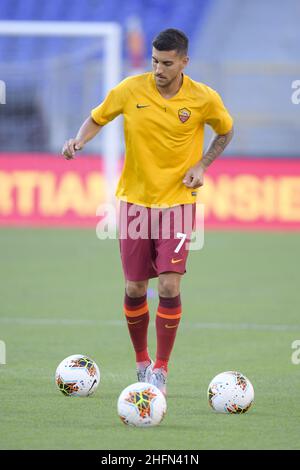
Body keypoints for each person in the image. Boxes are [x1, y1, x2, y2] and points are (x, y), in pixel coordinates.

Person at [62, 28, 233, 396]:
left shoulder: (204, 99)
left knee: (169, 284)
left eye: (167, 63)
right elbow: (97, 117)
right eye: (155, 61)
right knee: (135, 286)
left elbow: (225, 131)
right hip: (135, 203)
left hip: (178, 204)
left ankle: (161, 369)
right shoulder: (130, 89)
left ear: (184, 62)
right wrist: (79, 140)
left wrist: (202, 166)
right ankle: (141, 362)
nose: (158, 69)